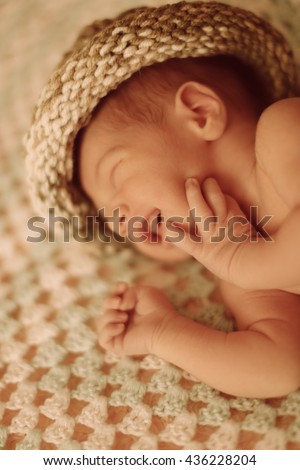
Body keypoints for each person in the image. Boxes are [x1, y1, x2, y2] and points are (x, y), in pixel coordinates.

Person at [25, 2, 300, 398]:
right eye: (107, 216)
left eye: (115, 174)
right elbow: (279, 368)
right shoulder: (235, 273)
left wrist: (247, 265)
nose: (117, 218)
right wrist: (165, 333)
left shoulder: (283, 131)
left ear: (201, 114)